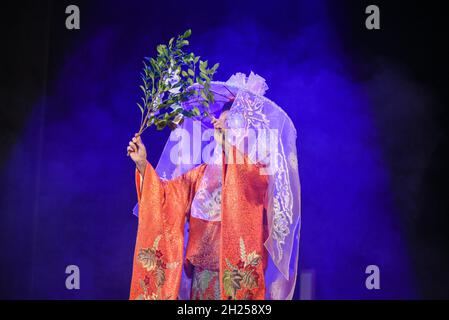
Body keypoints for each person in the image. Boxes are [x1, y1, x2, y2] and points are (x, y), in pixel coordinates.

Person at [127, 72, 301, 300]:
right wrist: (142, 165)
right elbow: (166, 197)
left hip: (236, 279)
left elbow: (250, 190)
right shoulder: (201, 174)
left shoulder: (257, 172)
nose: (219, 124)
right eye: (220, 120)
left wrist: (230, 147)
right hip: (203, 277)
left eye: (229, 122)